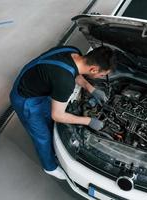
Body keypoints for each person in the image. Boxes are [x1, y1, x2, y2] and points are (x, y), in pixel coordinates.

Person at [10, 45, 116, 180]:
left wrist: (91, 89)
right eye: (102, 75)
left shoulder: (73, 51)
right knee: (43, 136)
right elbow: (58, 115)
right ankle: (50, 167)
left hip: (35, 82)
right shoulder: (64, 82)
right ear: (93, 69)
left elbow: (75, 72)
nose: (101, 77)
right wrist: (88, 121)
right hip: (25, 99)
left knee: (50, 120)